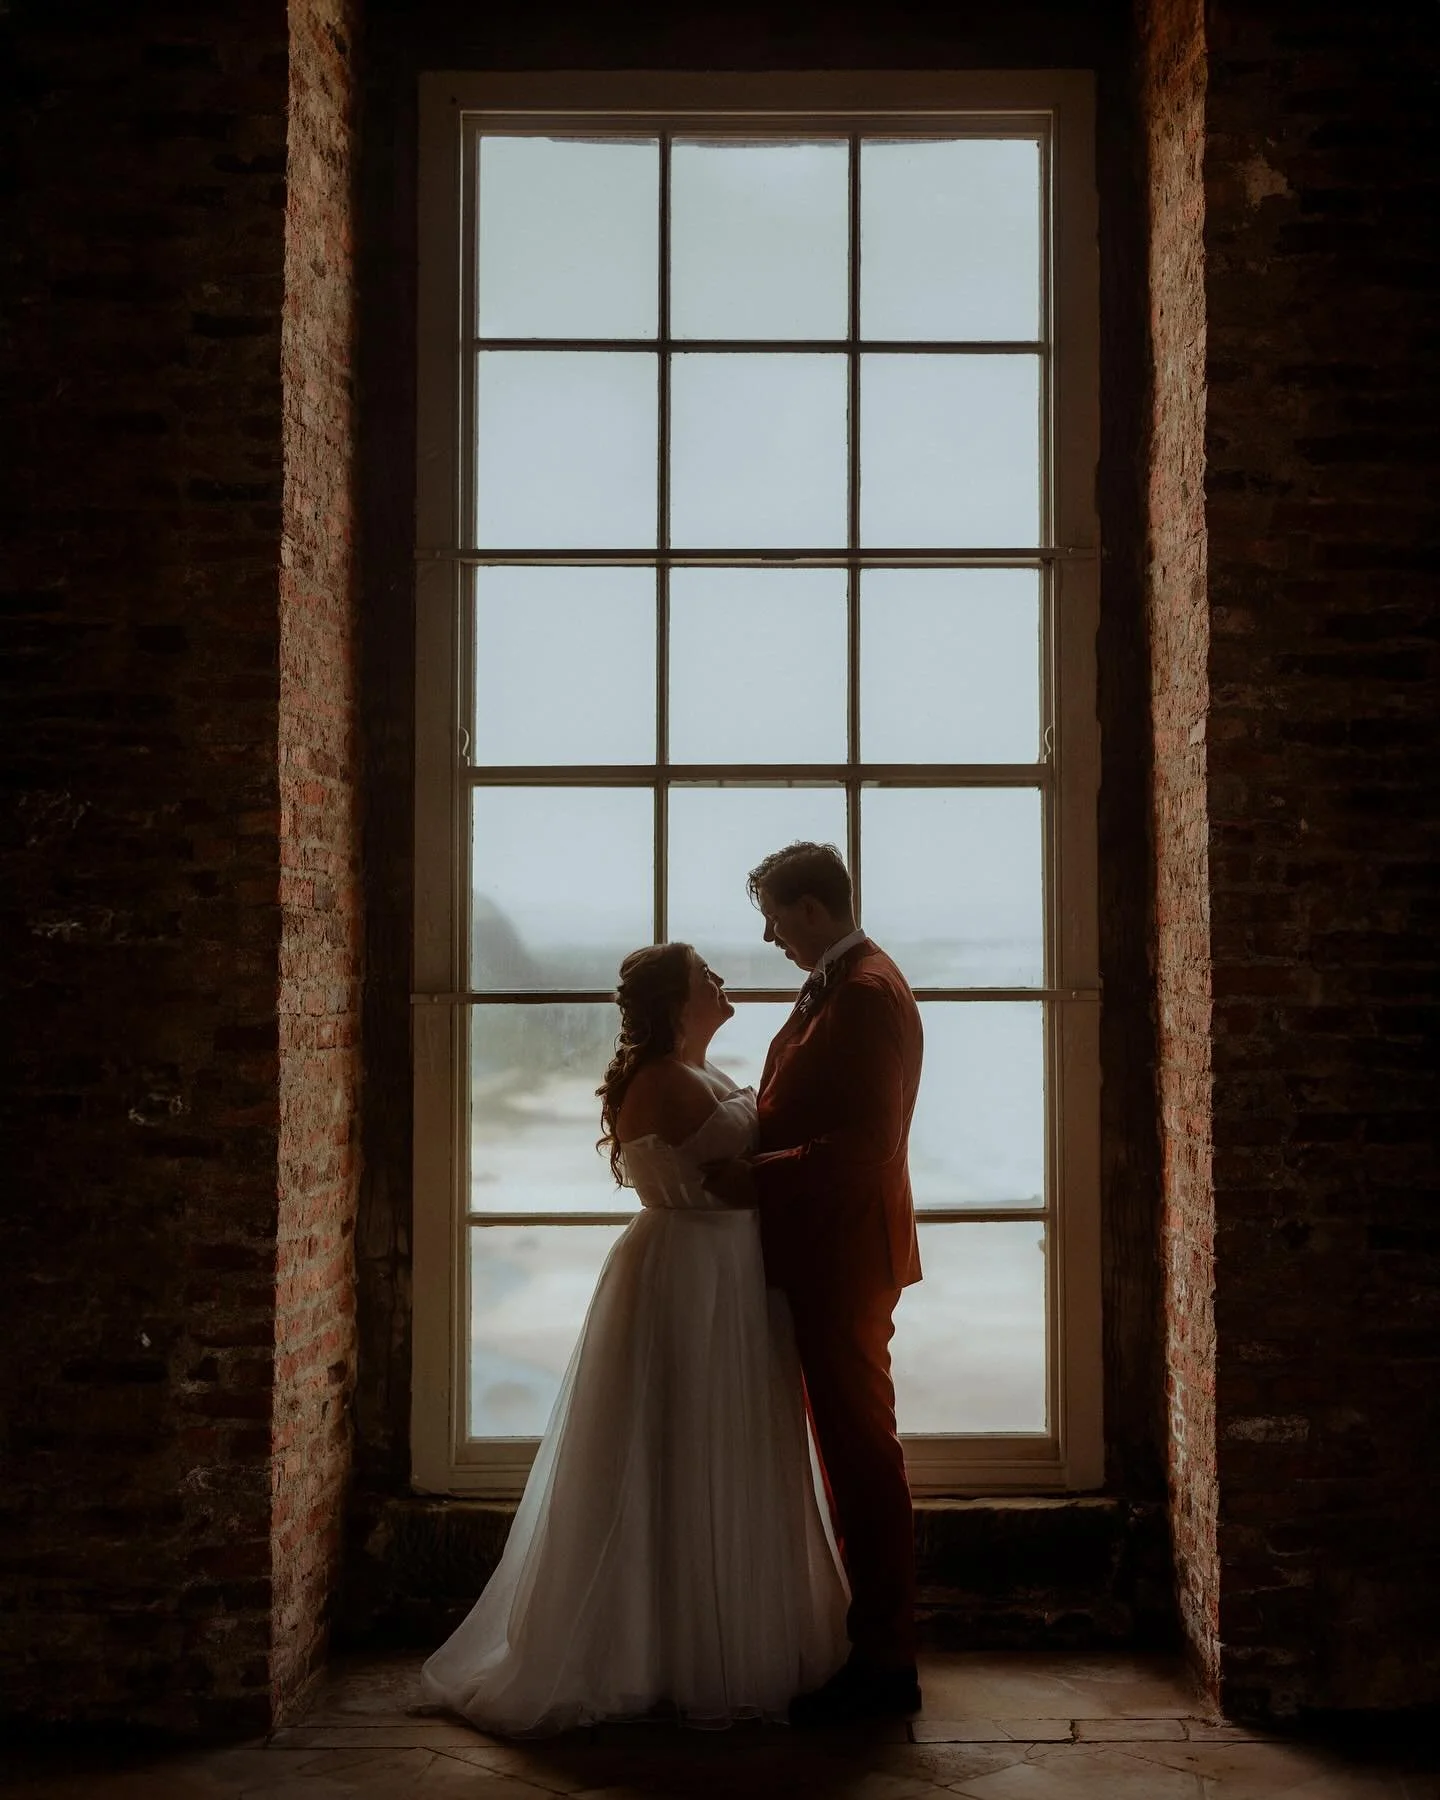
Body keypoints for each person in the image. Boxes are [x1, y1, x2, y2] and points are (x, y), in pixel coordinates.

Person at [420, 942, 847, 1737]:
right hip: (692, 1276)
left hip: (722, 1271)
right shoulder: (664, 1083)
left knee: (717, 1451)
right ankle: (661, 1654)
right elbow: (737, 1177)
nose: (721, 984)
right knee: (680, 1454)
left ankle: (700, 1638)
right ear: (675, 1004)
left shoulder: (694, 1074)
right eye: (705, 978)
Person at [710, 841, 925, 1724]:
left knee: (862, 1457)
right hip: (827, 1250)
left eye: (772, 917)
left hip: (846, 1257)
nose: (768, 937)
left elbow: (869, 1144)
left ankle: (884, 1664)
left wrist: (755, 1176)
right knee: (847, 1452)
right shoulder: (840, 982)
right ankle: (872, 1649)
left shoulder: (868, 992)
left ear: (809, 908)